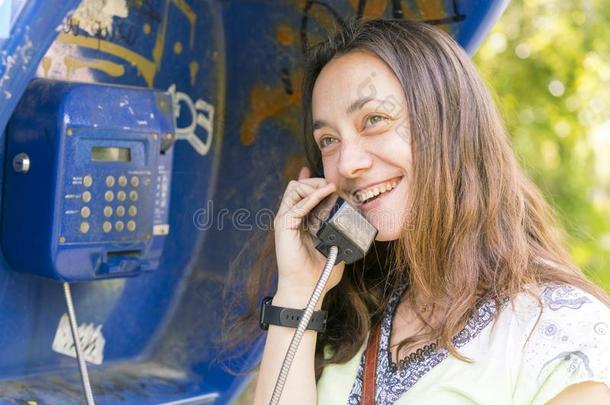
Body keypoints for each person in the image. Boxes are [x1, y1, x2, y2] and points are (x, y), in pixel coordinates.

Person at [237, 18, 610, 404]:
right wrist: (299, 292)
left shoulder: (562, 333)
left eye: (375, 120)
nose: (347, 163)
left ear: (449, 124)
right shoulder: (354, 315)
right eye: (329, 140)